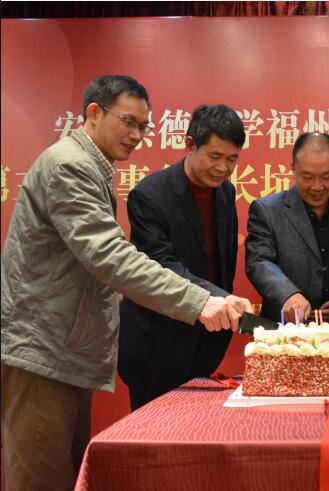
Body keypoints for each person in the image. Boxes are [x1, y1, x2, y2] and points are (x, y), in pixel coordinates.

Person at [0, 75, 251, 490]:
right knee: (42, 479)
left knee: (65, 475)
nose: (136, 135)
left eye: (143, 126)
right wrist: (199, 301)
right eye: (128, 122)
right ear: (93, 113)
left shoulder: (91, 167)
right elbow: (111, 256)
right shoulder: (69, 166)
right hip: (42, 348)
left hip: (63, 349)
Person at [118, 104, 247, 410]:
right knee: (155, 435)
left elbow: (222, 261)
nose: (223, 168)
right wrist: (220, 297)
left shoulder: (225, 192)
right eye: (214, 156)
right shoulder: (149, 195)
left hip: (207, 343)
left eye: (232, 159)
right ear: (190, 145)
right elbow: (161, 265)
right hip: (156, 347)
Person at [246, 132, 329, 323]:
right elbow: (259, 261)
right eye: (307, 177)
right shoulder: (267, 210)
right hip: (282, 327)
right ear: (293, 169)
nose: (317, 187)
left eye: (327, 176)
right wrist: (287, 294)